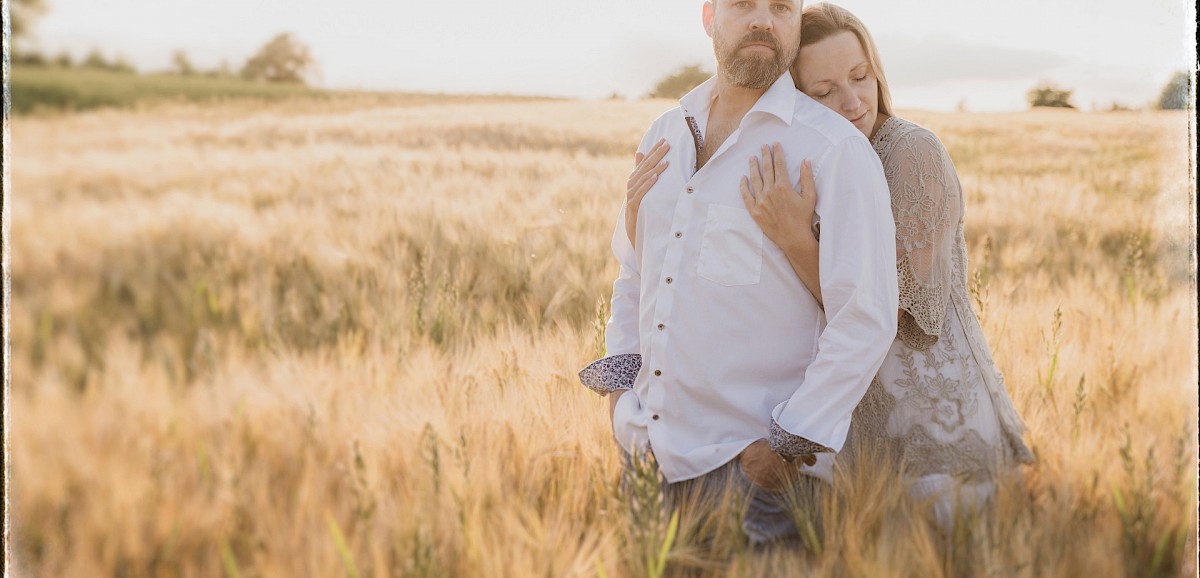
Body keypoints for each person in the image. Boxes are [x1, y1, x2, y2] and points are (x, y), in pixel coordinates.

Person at [578, 0, 899, 544]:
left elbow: (865, 315)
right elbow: (635, 272)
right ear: (709, 17)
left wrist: (786, 445)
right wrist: (620, 404)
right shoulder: (665, 131)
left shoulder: (833, 151)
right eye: (744, 4)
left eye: (781, 7)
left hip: (751, 478)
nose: (762, 20)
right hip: (646, 462)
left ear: (796, 22)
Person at [737, 3, 1035, 529]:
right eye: (824, 92)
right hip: (845, 428)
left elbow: (886, 316)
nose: (852, 103)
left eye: (860, 77)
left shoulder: (911, 154)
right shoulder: (802, 162)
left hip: (932, 428)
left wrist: (792, 236)